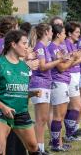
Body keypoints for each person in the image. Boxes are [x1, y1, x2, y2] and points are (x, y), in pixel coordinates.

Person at [0, 30, 42, 155]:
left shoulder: (24, 66)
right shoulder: (0, 64)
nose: (27, 47)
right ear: (13, 44)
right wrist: (3, 107)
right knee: (0, 149)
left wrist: (31, 93)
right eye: (24, 43)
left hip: (21, 112)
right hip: (2, 112)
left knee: (33, 147)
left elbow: (17, 91)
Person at [29, 23, 63, 154]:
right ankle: (38, 149)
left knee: (42, 119)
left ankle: (40, 148)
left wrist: (60, 59)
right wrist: (59, 61)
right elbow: (42, 67)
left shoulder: (44, 47)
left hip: (44, 84)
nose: (52, 34)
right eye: (50, 31)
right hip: (40, 84)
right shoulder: (40, 47)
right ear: (46, 33)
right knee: (41, 120)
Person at [48, 24, 81, 152]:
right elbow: (61, 68)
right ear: (58, 34)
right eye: (63, 33)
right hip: (58, 82)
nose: (65, 35)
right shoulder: (54, 48)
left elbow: (66, 63)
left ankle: (59, 143)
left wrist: (72, 57)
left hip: (63, 82)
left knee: (60, 115)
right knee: (58, 115)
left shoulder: (58, 47)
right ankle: (56, 144)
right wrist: (73, 58)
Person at [63, 21, 81, 142]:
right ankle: (70, 133)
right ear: (69, 33)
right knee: (77, 106)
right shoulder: (66, 44)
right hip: (71, 76)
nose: (79, 34)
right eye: (77, 32)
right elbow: (69, 63)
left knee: (71, 107)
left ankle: (70, 133)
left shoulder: (72, 44)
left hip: (75, 76)